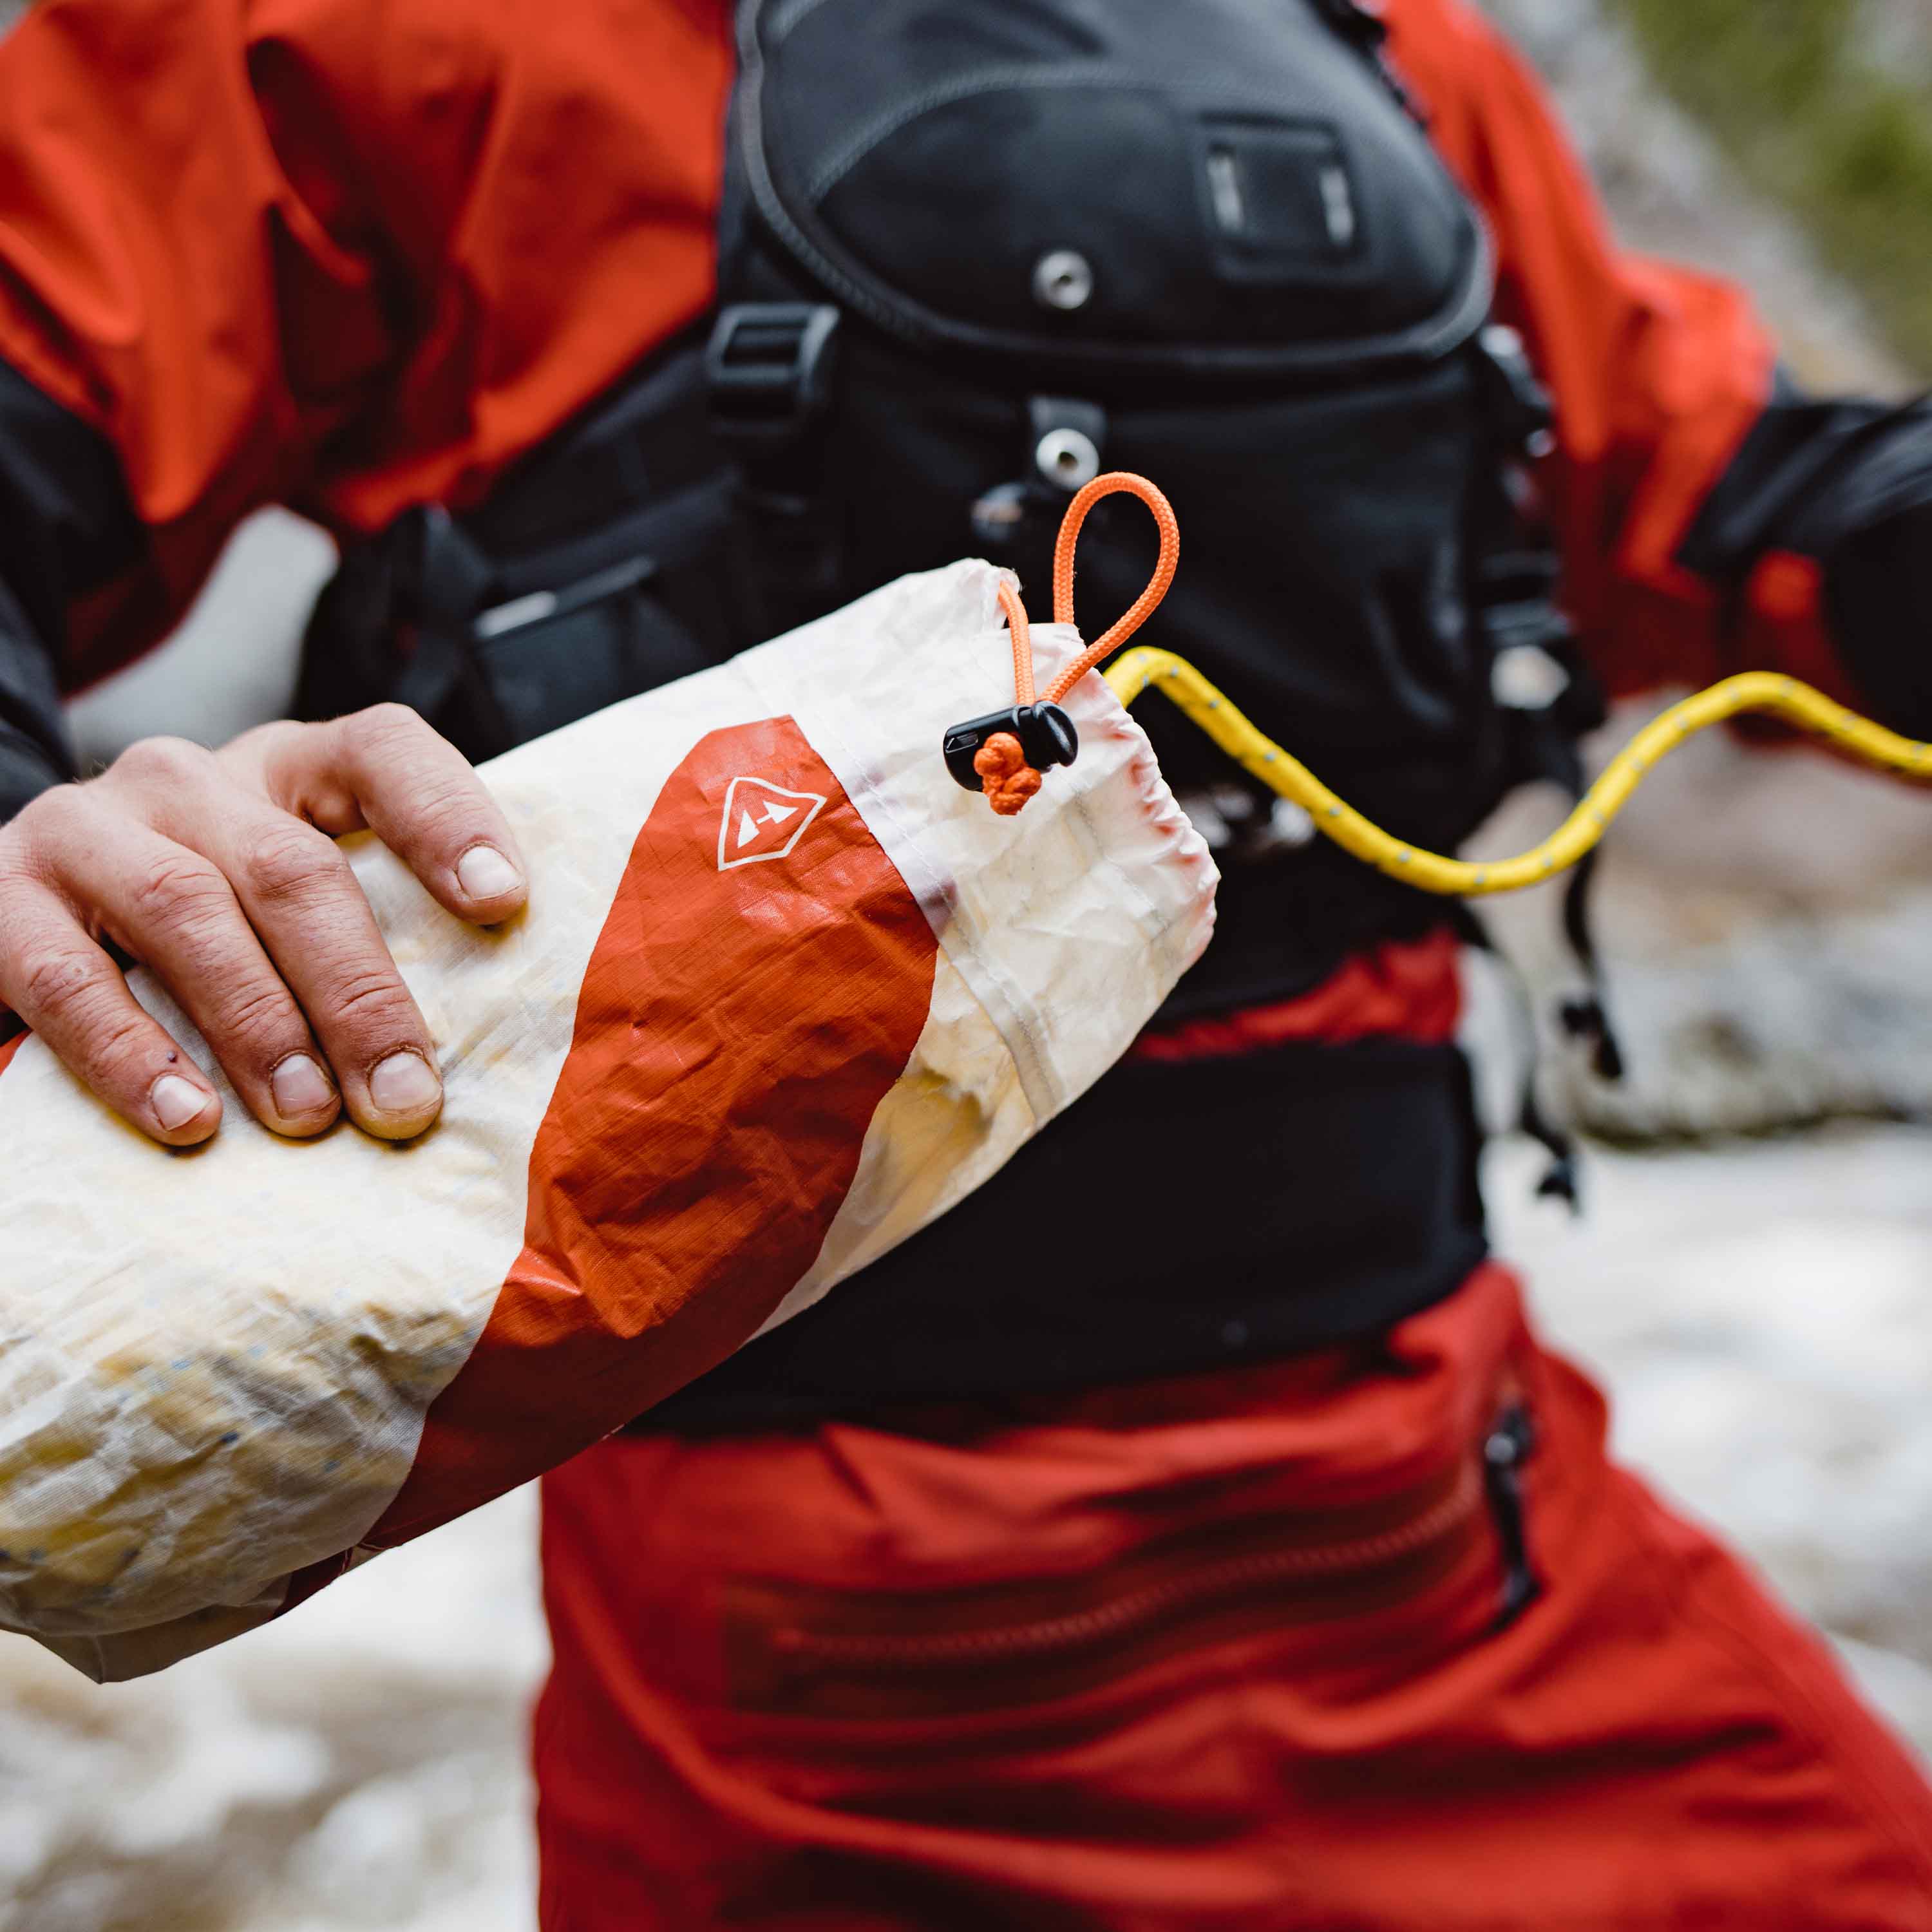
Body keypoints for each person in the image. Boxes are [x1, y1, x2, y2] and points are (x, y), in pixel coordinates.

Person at [1, 0, 1931, 1925]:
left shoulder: (1401, 61)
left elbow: (1719, 485)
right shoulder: (381, 38)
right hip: (815, 1707)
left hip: (1446, 1534)